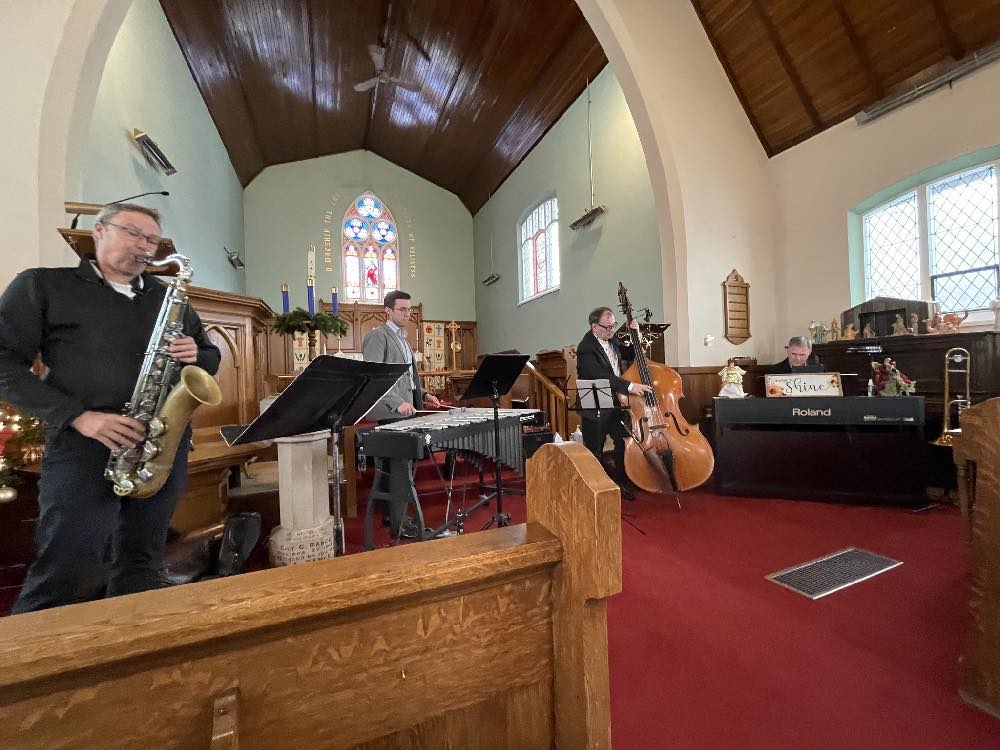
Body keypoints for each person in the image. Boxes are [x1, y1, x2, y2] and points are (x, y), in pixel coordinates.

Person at [0, 203, 221, 613]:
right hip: (83, 446)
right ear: (99, 232)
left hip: (159, 446)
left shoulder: (167, 296)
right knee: (67, 567)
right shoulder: (44, 286)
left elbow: (208, 357)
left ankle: (125, 652)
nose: (144, 246)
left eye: (151, 240)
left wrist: (197, 354)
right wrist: (79, 417)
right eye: (132, 233)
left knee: (141, 561)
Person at [362, 290, 441, 537]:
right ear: (388, 311)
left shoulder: (404, 340)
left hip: (404, 411)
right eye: (402, 310)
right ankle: (399, 525)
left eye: (409, 310)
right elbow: (375, 378)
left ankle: (393, 517)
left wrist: (424, 394)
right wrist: (397, 403)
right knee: (399, 469)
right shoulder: (378, 337)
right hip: (389, 411)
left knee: (398, 467)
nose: (408, 314)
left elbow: (407, 378)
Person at [575, 306, 653, 499]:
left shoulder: (612, 338)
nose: (612, 330)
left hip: (617, 402)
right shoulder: (585, 347)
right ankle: (596, 488)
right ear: (595, 327)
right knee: (595, 449)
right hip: (595, 404)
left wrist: (636, 334)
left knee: (623, 441)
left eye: (614, 326)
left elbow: (628, 354)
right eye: (608, 327)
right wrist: (630, 386)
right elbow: (600, 375)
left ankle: (622, 481)